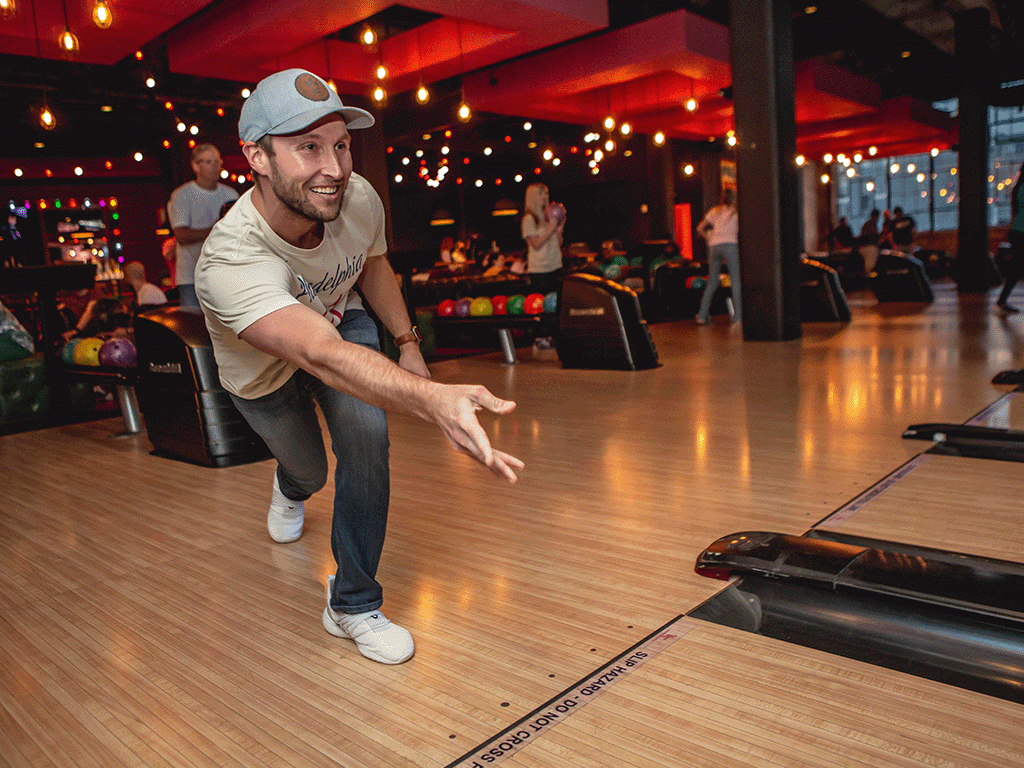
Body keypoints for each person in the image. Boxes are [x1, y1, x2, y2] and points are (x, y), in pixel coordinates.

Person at [194, 68, 524, 666]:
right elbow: (317, 354)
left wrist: (408, 342)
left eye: (341, 144)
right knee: (311, 472)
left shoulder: (356, 198)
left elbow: (371, 266)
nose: (335, 167)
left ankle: (351, 604)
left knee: (368, 438)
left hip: (339, 323)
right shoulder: (228, 258)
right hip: (264, 370)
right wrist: (432, 399)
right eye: (307, 147)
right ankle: (291, 486)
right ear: (257, 158)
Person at [168, 144, 239, 307]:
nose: (215, 166)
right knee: (194, 328)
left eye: (217, 162)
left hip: (224, 275)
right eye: (208, 162)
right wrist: (217, 229)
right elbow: (182, 236)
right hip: (192, 277)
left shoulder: (230, 194)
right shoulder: (182, 195)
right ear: (195, 166)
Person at [521, 183, 565, 349]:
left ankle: (556, 335)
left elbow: (558, 243)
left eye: (546, 193)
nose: (544, 197)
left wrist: (558, 230)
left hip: (555, 264)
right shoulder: (529, 219)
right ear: (533, 197)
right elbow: (536, 244)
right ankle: (540, 336)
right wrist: (551, 228)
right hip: (539, 269)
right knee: (541, 304)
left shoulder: (549, 216)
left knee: (556, 303)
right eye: (540, 194)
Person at [695, 188, 741, 325]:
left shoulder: (715, 210)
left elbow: (699, 228)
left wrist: (708, 239)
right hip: (731, 245)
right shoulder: (737, 211)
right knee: (736, 281)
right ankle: (738, 318)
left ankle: (702, 316)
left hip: (714, 247)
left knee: (713, 282)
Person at [996, 162, 1024, 313]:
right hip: (1021, 233)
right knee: (1017, 269)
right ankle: (1001, 300)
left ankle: (1002, 300)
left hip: (1017, 232)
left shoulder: (1018, 188)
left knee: (1017, 269)